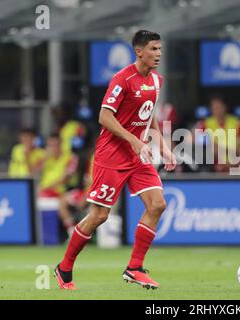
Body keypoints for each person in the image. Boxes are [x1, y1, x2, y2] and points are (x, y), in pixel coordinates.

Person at [54, 30, 176, 290]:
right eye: (153, 49)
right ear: (139, 52)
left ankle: (134, 268)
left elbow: (148, 114)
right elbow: (104, 117)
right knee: (99, 215)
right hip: (112, 155)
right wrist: (133, 140)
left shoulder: (156, 81)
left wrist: (162, 144)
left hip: (138, 154)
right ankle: (64, 268)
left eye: (159, 49)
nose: (158, 54)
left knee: (157, 204)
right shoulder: (122, 80)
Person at [37, 134, 79, 237]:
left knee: (61, 204)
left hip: (63, 191)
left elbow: (66, 178)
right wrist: (45, 159)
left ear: (60, 145)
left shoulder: (70, 157)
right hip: (44, 191)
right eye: (50, 145)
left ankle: (73, 234)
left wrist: (48, 187)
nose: (52, 148)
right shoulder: (45, 158)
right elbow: (33, 174)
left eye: (55, 145)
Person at [195, 94, 240, 172]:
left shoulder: (237, 123)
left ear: (225, 107)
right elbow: (192, 140)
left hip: (234, 163)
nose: (217, 110)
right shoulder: (205, 123)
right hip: (212, 165)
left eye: (219, 107)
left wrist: (222, 150)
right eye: (214, 107)